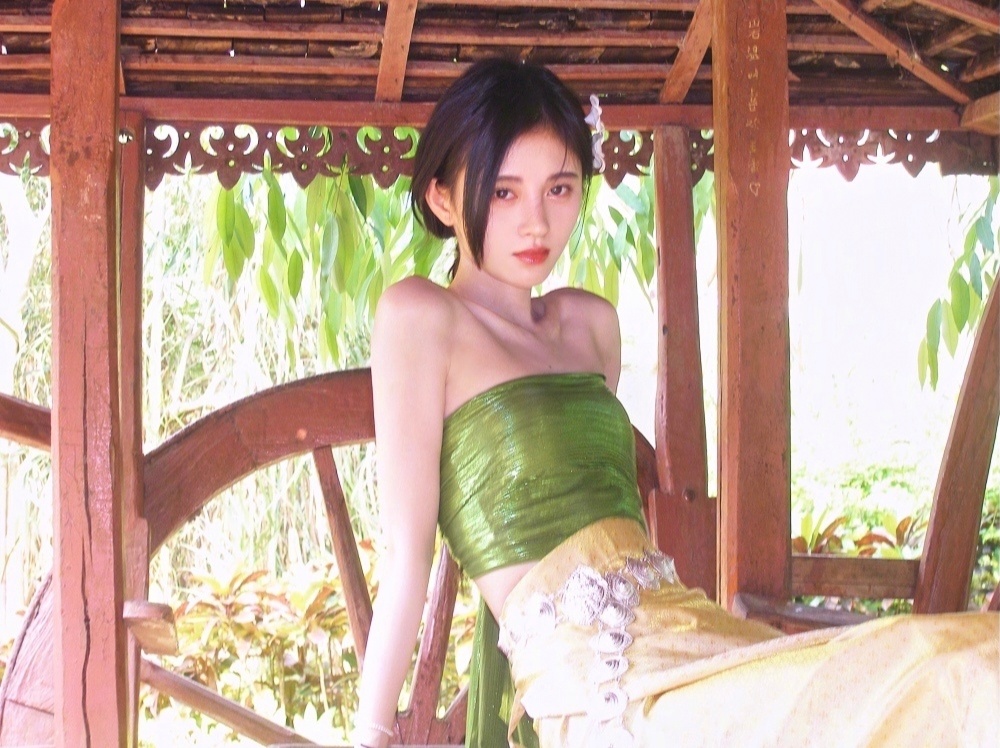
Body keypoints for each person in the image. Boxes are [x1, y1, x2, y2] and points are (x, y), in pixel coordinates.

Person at [353, 58, 999, 748]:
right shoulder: (420, 317)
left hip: (686, 631)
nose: (536, 222)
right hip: (599, 682)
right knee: (940, 678)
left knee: (950, 660)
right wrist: (370, 732)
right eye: (505, 192)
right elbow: (408, 556)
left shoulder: (589, 326)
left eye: (559, 188)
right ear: (442, 198)